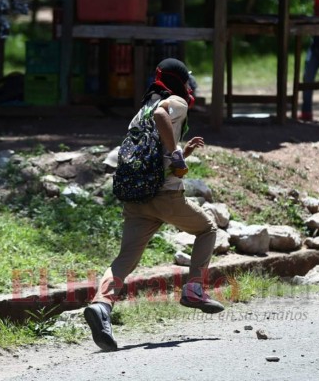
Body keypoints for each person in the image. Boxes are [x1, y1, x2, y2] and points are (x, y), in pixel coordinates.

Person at [84, 58, 224, 352]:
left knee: (124, 260)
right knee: (207, 229)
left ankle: (101, 306)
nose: (188, 87)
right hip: (165, 196)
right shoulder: (173, 102)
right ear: (179, 81)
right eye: (186, 81)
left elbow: (152, 141)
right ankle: (194, 289)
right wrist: (177, 154)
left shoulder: (142, 108)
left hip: (137, 198)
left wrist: (178, 149)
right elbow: (163, 117)